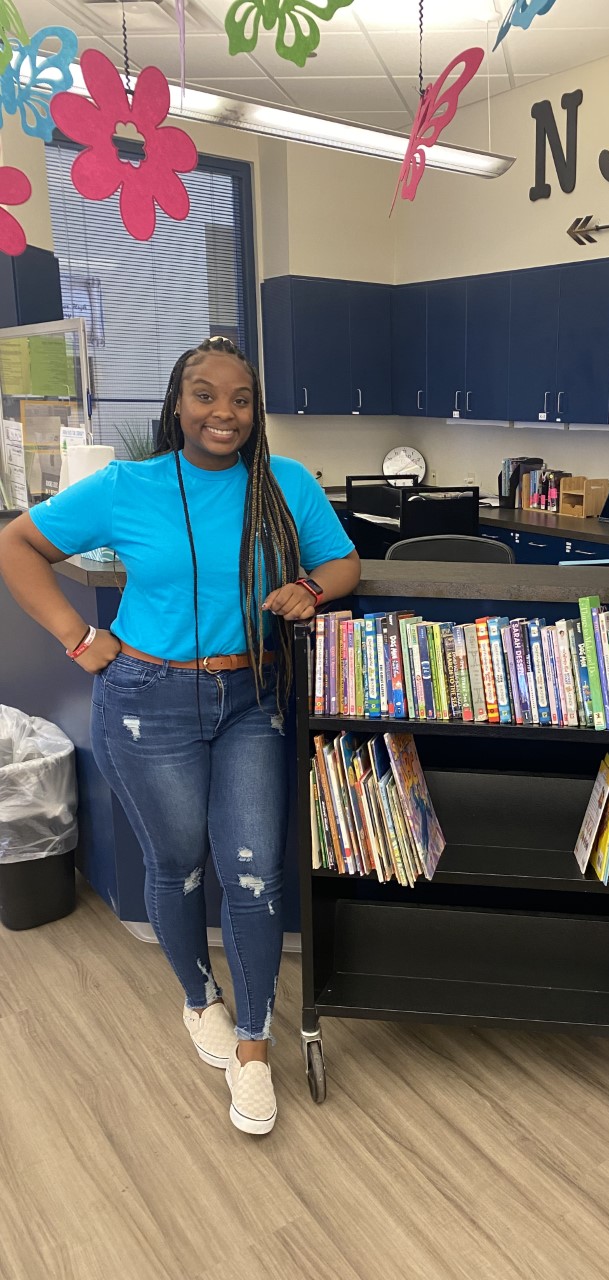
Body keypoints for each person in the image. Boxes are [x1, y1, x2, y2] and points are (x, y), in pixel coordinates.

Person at [0, 336, 361, 1136]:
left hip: (253, 697)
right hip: (146, 701)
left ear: (256, 410)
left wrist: (307, 585)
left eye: (240, 398)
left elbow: (344, 563)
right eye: (205, 395)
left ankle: (254, 1043)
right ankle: (200, 998)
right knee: (178, 866)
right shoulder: (127, 486)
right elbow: (16, 544)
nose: (223, 412)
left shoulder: (286, 485)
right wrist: (77, 637)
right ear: (177, 404)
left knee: (254, 874)